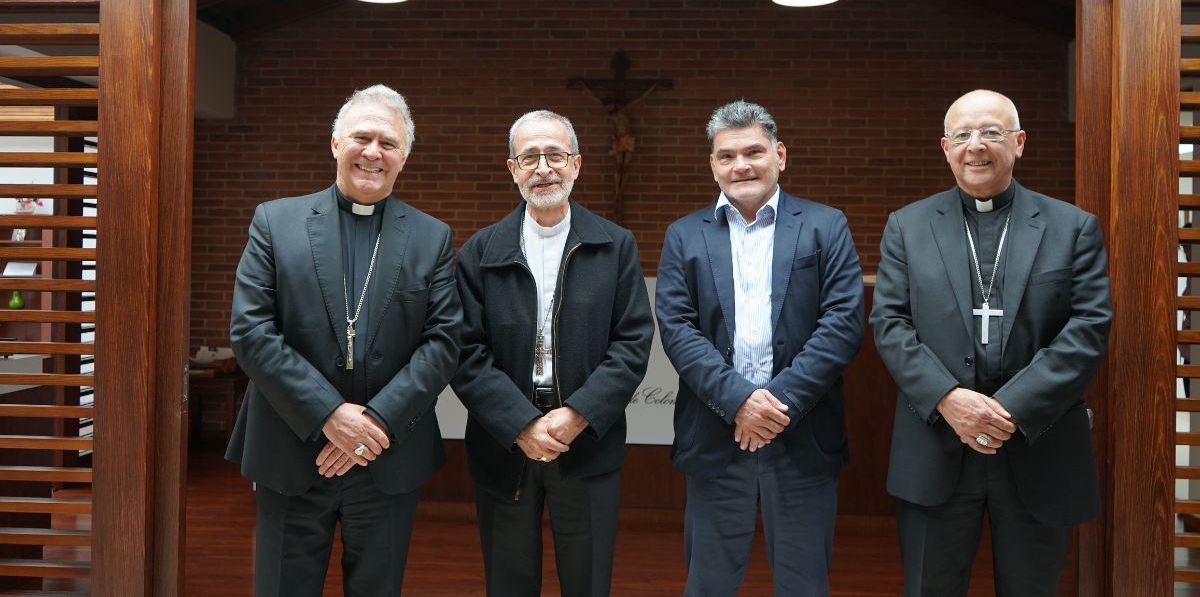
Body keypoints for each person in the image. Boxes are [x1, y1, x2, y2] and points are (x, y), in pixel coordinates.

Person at [870, 89, 1112, 596]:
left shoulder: (1071, 227)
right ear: (945, 148)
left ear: (1019, 142)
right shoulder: (907, 227)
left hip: (1036, 444)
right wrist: (949, 399)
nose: (975, 145)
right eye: (962, 135)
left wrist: (1010, 409)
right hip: (938, 444)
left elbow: (1088, 327)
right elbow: (890, 323)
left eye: (991, 132)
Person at [226, 84, 462, 596]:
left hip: (387, 455)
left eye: (389, 143)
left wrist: (372, 424)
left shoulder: (432, 237)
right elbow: (251, 331)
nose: (373, 152)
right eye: (362, 137)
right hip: (291, 450)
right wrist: (330, 415)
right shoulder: (276, 222)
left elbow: (444, 342)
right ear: (335, 143)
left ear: (404, 157)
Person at [655, 100, 864, 596]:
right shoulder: (683, 235)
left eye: (753, 152)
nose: (741, 165)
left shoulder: (825, 225)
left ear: (780, 155)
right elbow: (678, 329)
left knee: (803, 585)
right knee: (708, 584)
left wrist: (773, 406)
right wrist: (739, 402)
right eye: (727, 156)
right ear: (713, 165)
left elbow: (843, 323)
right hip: (715, 436)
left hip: (803, 436)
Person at [451, 109, 654, 597]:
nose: (543, 168)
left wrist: (577, 415)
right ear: (513, 169)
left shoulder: (615, 246)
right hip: (505, 444)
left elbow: (632, 343)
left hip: (586, 444)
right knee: (509, 582)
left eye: (555, 155)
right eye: (530, 157)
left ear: (576, 164)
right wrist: (520, 423)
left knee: (587, 582)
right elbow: (464, 350)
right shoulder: (480, 252)